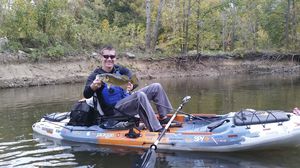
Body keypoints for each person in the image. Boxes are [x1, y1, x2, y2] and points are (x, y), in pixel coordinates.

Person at [83, 45, 174, 132]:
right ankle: (155, 128)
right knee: (139, 96)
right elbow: (86, 94)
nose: (109, 59)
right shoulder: (96, 75)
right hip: (114, 111)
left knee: (156, 87)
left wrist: (132, 86)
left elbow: (135, 81)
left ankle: (163, 118)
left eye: (112, 56)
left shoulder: (121, 70)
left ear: (115, 58)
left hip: (126, 102)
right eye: (106, 56)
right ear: (101, 57)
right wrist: (93, 87)